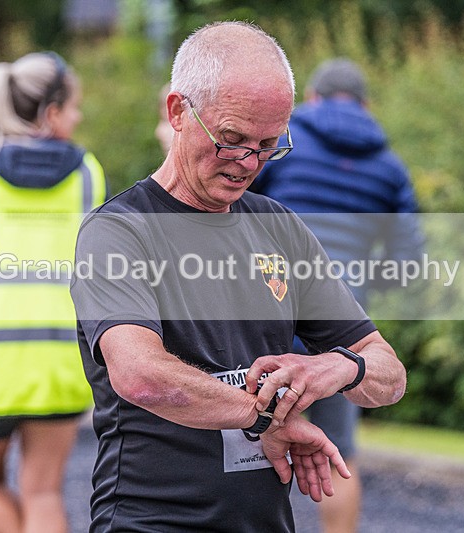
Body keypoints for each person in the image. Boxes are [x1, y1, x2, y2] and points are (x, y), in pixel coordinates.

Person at [70, 22, 407, 532]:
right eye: (231, 139)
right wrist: (266, 416)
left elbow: (390, 374)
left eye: (268, 144)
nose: (248, 163)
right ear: (178, 112)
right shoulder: (118, 232)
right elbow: (141, 375)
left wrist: (338, 368)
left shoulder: (279, 228)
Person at [0, 51, 107, 533]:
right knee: (44, 492)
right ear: (50, 113)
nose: (78, 116)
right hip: (59, 360)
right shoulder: (89, 175)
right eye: (73, 107)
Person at [249, 58, 425, 533]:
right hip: (341, 333)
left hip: (268, 317)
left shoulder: (282, 143)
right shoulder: (390, 167)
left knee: (250, 447)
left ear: (311, 96)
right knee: (338, 455)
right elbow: (408, 260)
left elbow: (236, 207)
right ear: (366, 105)